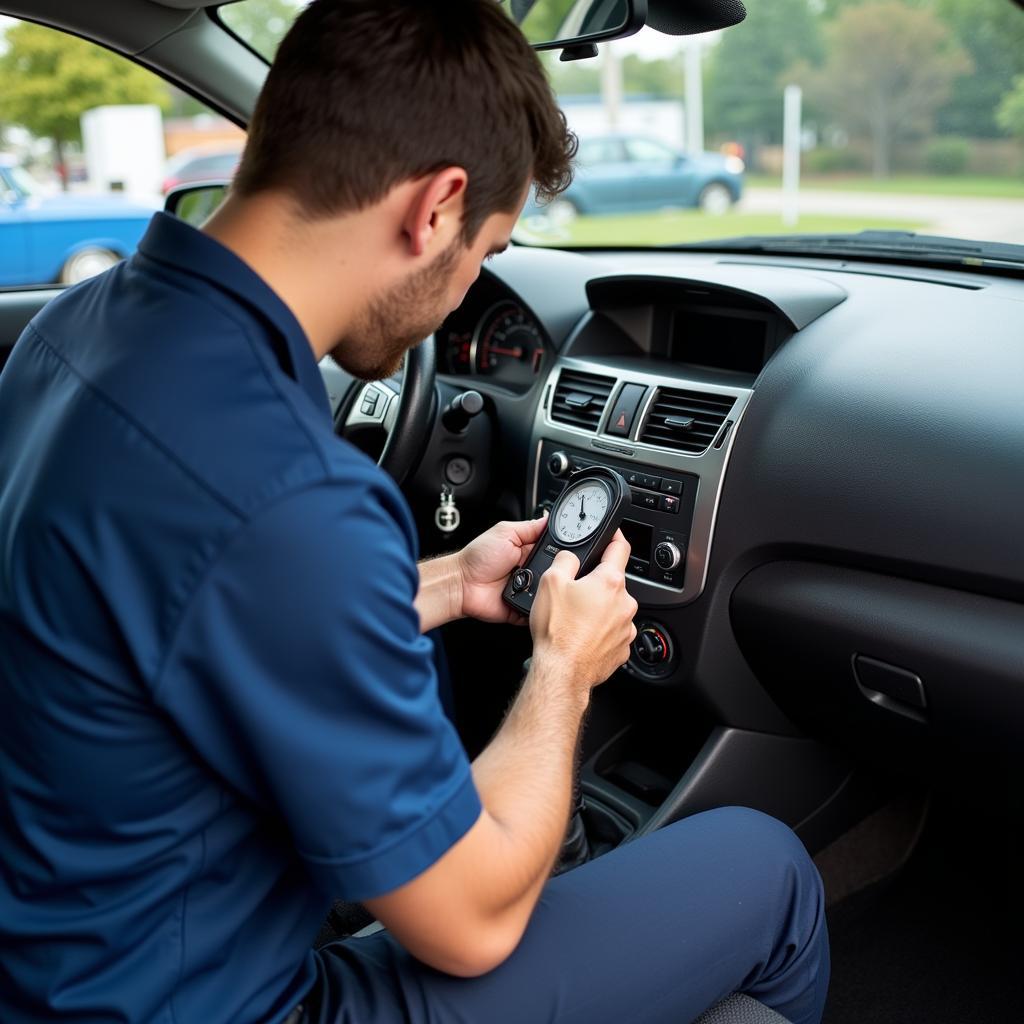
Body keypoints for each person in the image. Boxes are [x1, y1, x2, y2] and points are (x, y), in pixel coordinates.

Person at [0, 2, 829, 1022]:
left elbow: (180, 608)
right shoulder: (289, 491)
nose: (467, 286)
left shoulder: (79, 331)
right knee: (767, 868)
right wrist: (564, 670)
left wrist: (439, 583)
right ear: (435, 208)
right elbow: (471, 921)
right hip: (218, 1002)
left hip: (66, 950)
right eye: (485, 251)